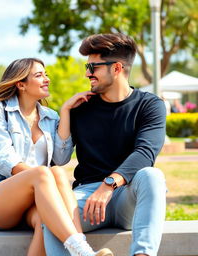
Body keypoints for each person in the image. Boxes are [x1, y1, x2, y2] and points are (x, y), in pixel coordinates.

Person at [0, 58, 113, 256]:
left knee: (47, 210)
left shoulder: (51, 116)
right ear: (20, 84)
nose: (46, 79)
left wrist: (65, 111)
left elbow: (61, 157)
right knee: (44, 173)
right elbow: (4, 159)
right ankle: (82, 251)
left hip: (37, 196)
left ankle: (81, 248)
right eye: (39, 75)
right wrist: (43, 178)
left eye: (45, 74)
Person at [43, 33, 167, 256]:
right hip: (86, 199)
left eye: (93, 66)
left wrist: (108, 185)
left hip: (126, 195)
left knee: (152, 176)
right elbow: (59, 160)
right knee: (53, 216)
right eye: (87, 66)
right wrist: (65, 112)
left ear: (117, 68)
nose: (87, 73)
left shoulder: (150, 105)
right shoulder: (80, 108)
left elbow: (145, 152)